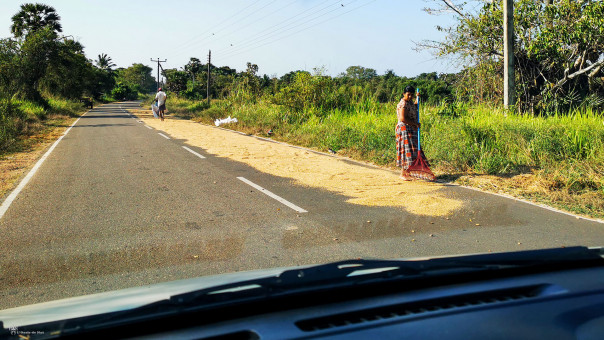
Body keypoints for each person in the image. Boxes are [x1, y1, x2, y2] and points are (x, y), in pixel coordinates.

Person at [395, 86, 422, 181]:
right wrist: (415, 124)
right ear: (404, 94)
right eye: (408, 94)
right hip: (404, 129)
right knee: (406, 150)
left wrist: (417, 98)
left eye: (411, 94)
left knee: (411, 150)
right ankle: (403, 173)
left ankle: (408, 172)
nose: (410, 96)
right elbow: (403, 118)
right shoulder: (403, 104)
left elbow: (414, 106)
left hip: (410, 128)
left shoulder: (409, 102)